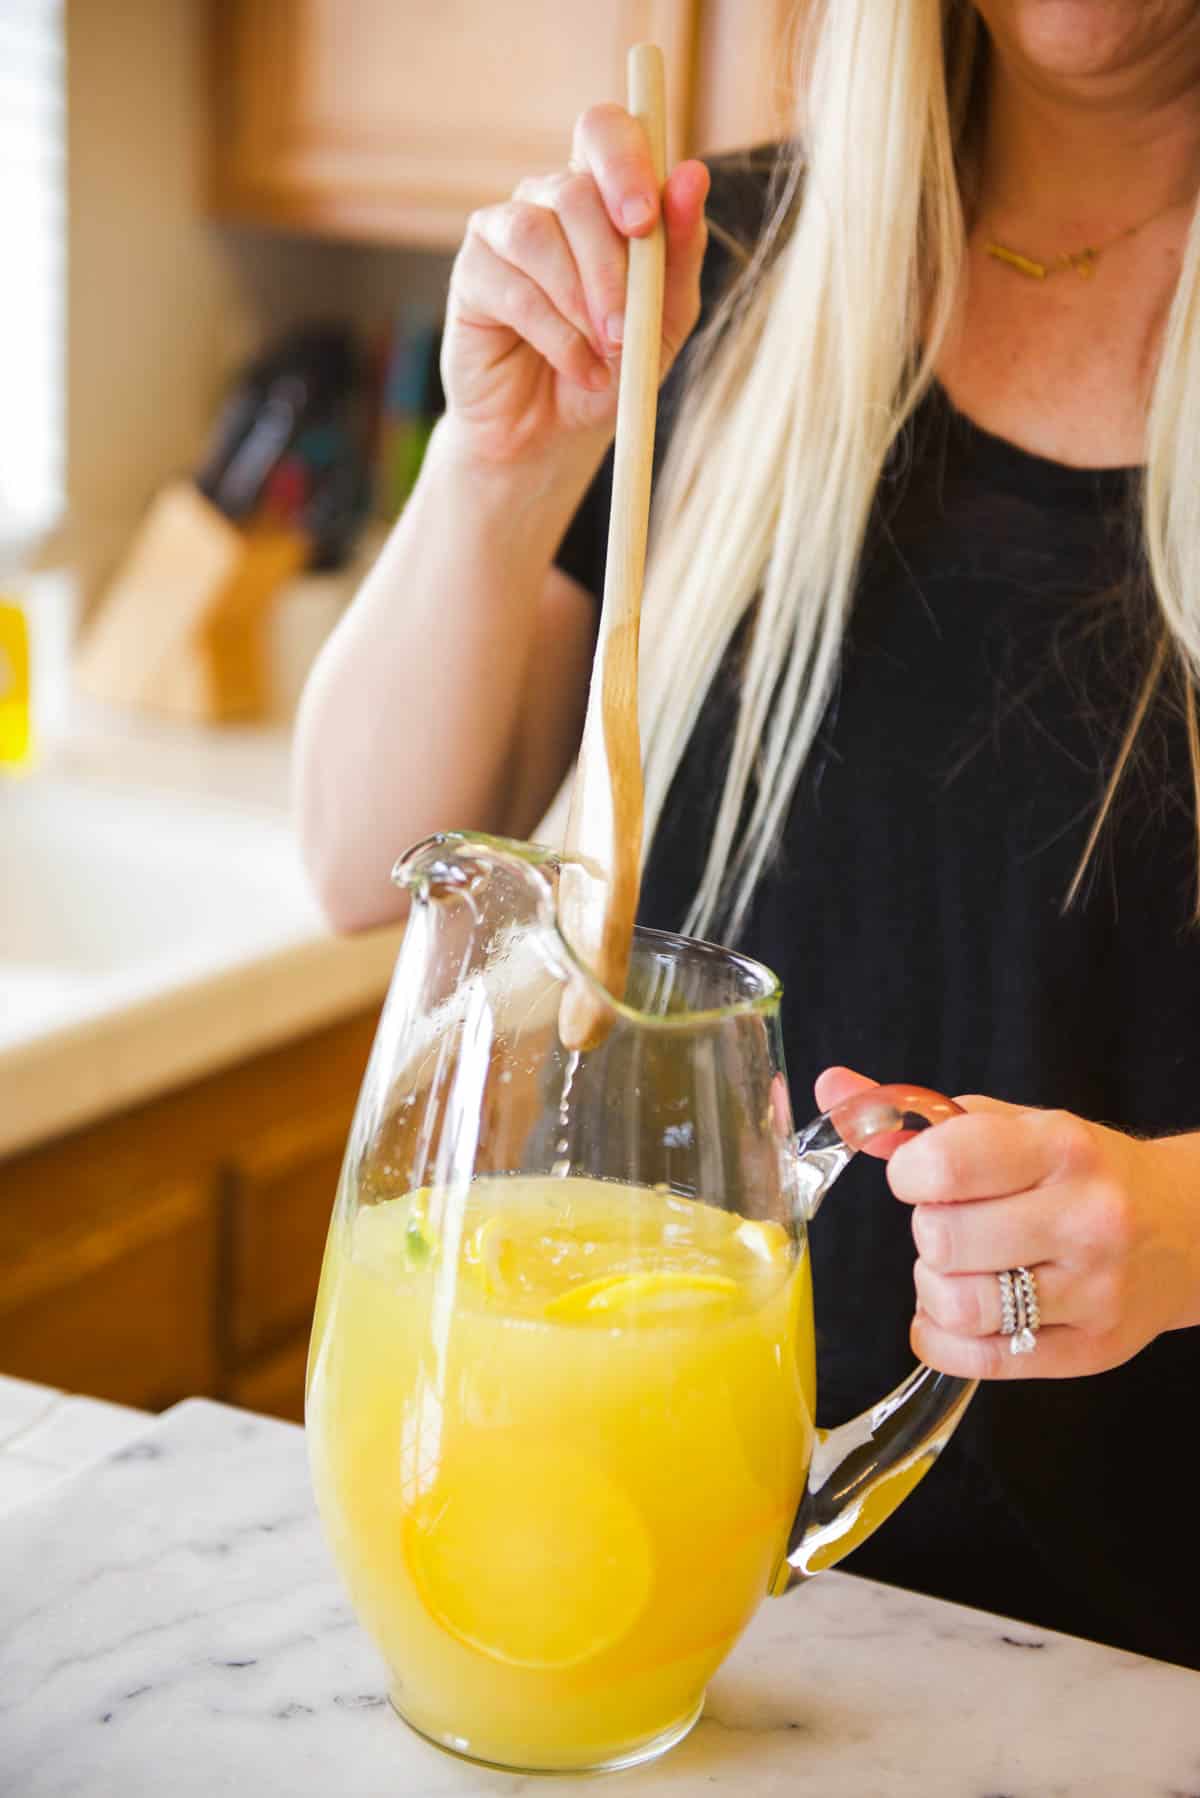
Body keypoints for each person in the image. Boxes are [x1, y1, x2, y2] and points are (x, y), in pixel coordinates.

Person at [294, 0, 1200, 1670]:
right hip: (644, 1609)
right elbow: (363, 852)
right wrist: (501, 466)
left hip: (1138, 1684)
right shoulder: (708, 275)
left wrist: (1178, 1221)